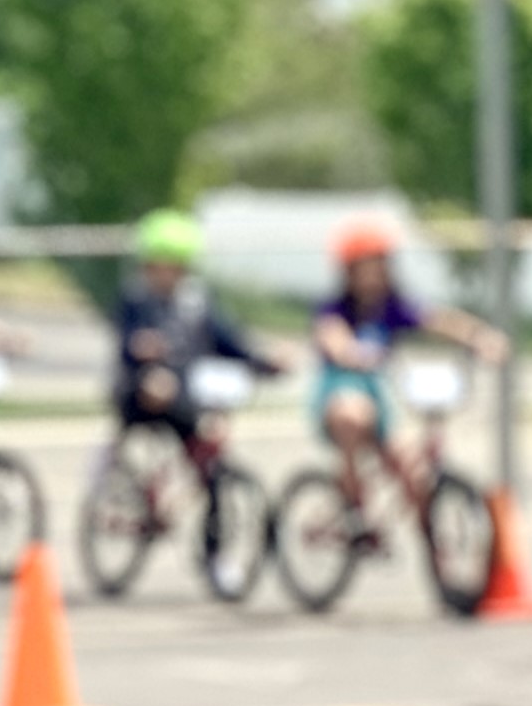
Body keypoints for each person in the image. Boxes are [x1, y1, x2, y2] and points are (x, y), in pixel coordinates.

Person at [311, 222, 506, 499]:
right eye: (365, 267)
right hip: (340, 394)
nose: (373, 275)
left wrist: (479, 337)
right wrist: (349, 352)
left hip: (380, 395)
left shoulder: (393, 306)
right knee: (354, 412)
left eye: (379, 265)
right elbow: (332, 337)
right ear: (349, 272)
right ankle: (349, 481)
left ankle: (425, 521)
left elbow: (439, 320)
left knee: (413, 467)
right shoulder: (334, 308)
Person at [113, 209, 282, 446]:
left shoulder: (197, 301)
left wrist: (263, 357)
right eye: (158, 266)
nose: (166, 275)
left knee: (216, 411)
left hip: (190, 385)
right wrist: (140, 348)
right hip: (140, 388)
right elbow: (126, 343)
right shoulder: (136, 299)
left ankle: (208, 461)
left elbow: (228, 340)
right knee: (160, 385)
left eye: (174, 267)